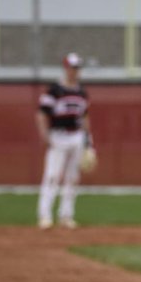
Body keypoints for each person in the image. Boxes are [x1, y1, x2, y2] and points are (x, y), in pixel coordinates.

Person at [36, 52, 93, 230]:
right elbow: (41, 114)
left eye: (77, 68)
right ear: (66, 68)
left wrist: (88, 141)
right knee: (52, 176)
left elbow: (85, 117)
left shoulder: (82, 91)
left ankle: (66, 216)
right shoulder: (55, 90)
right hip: (58, 136)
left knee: (72, 178)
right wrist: (45, 136)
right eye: (72, 68)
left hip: (76, 136)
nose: (75, 71)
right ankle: (45, 215)